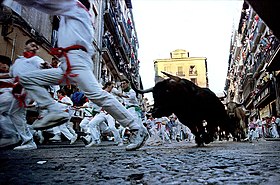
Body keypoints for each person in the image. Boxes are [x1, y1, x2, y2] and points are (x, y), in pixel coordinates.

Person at [1, 0, 148, 151]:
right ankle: (54, 110)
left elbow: (41, 2)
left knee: (98, 95)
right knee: (26, 79)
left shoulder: (74, 6)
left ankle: (137, 128)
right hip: (67, 64)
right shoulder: (73, 12)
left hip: (76, 62)